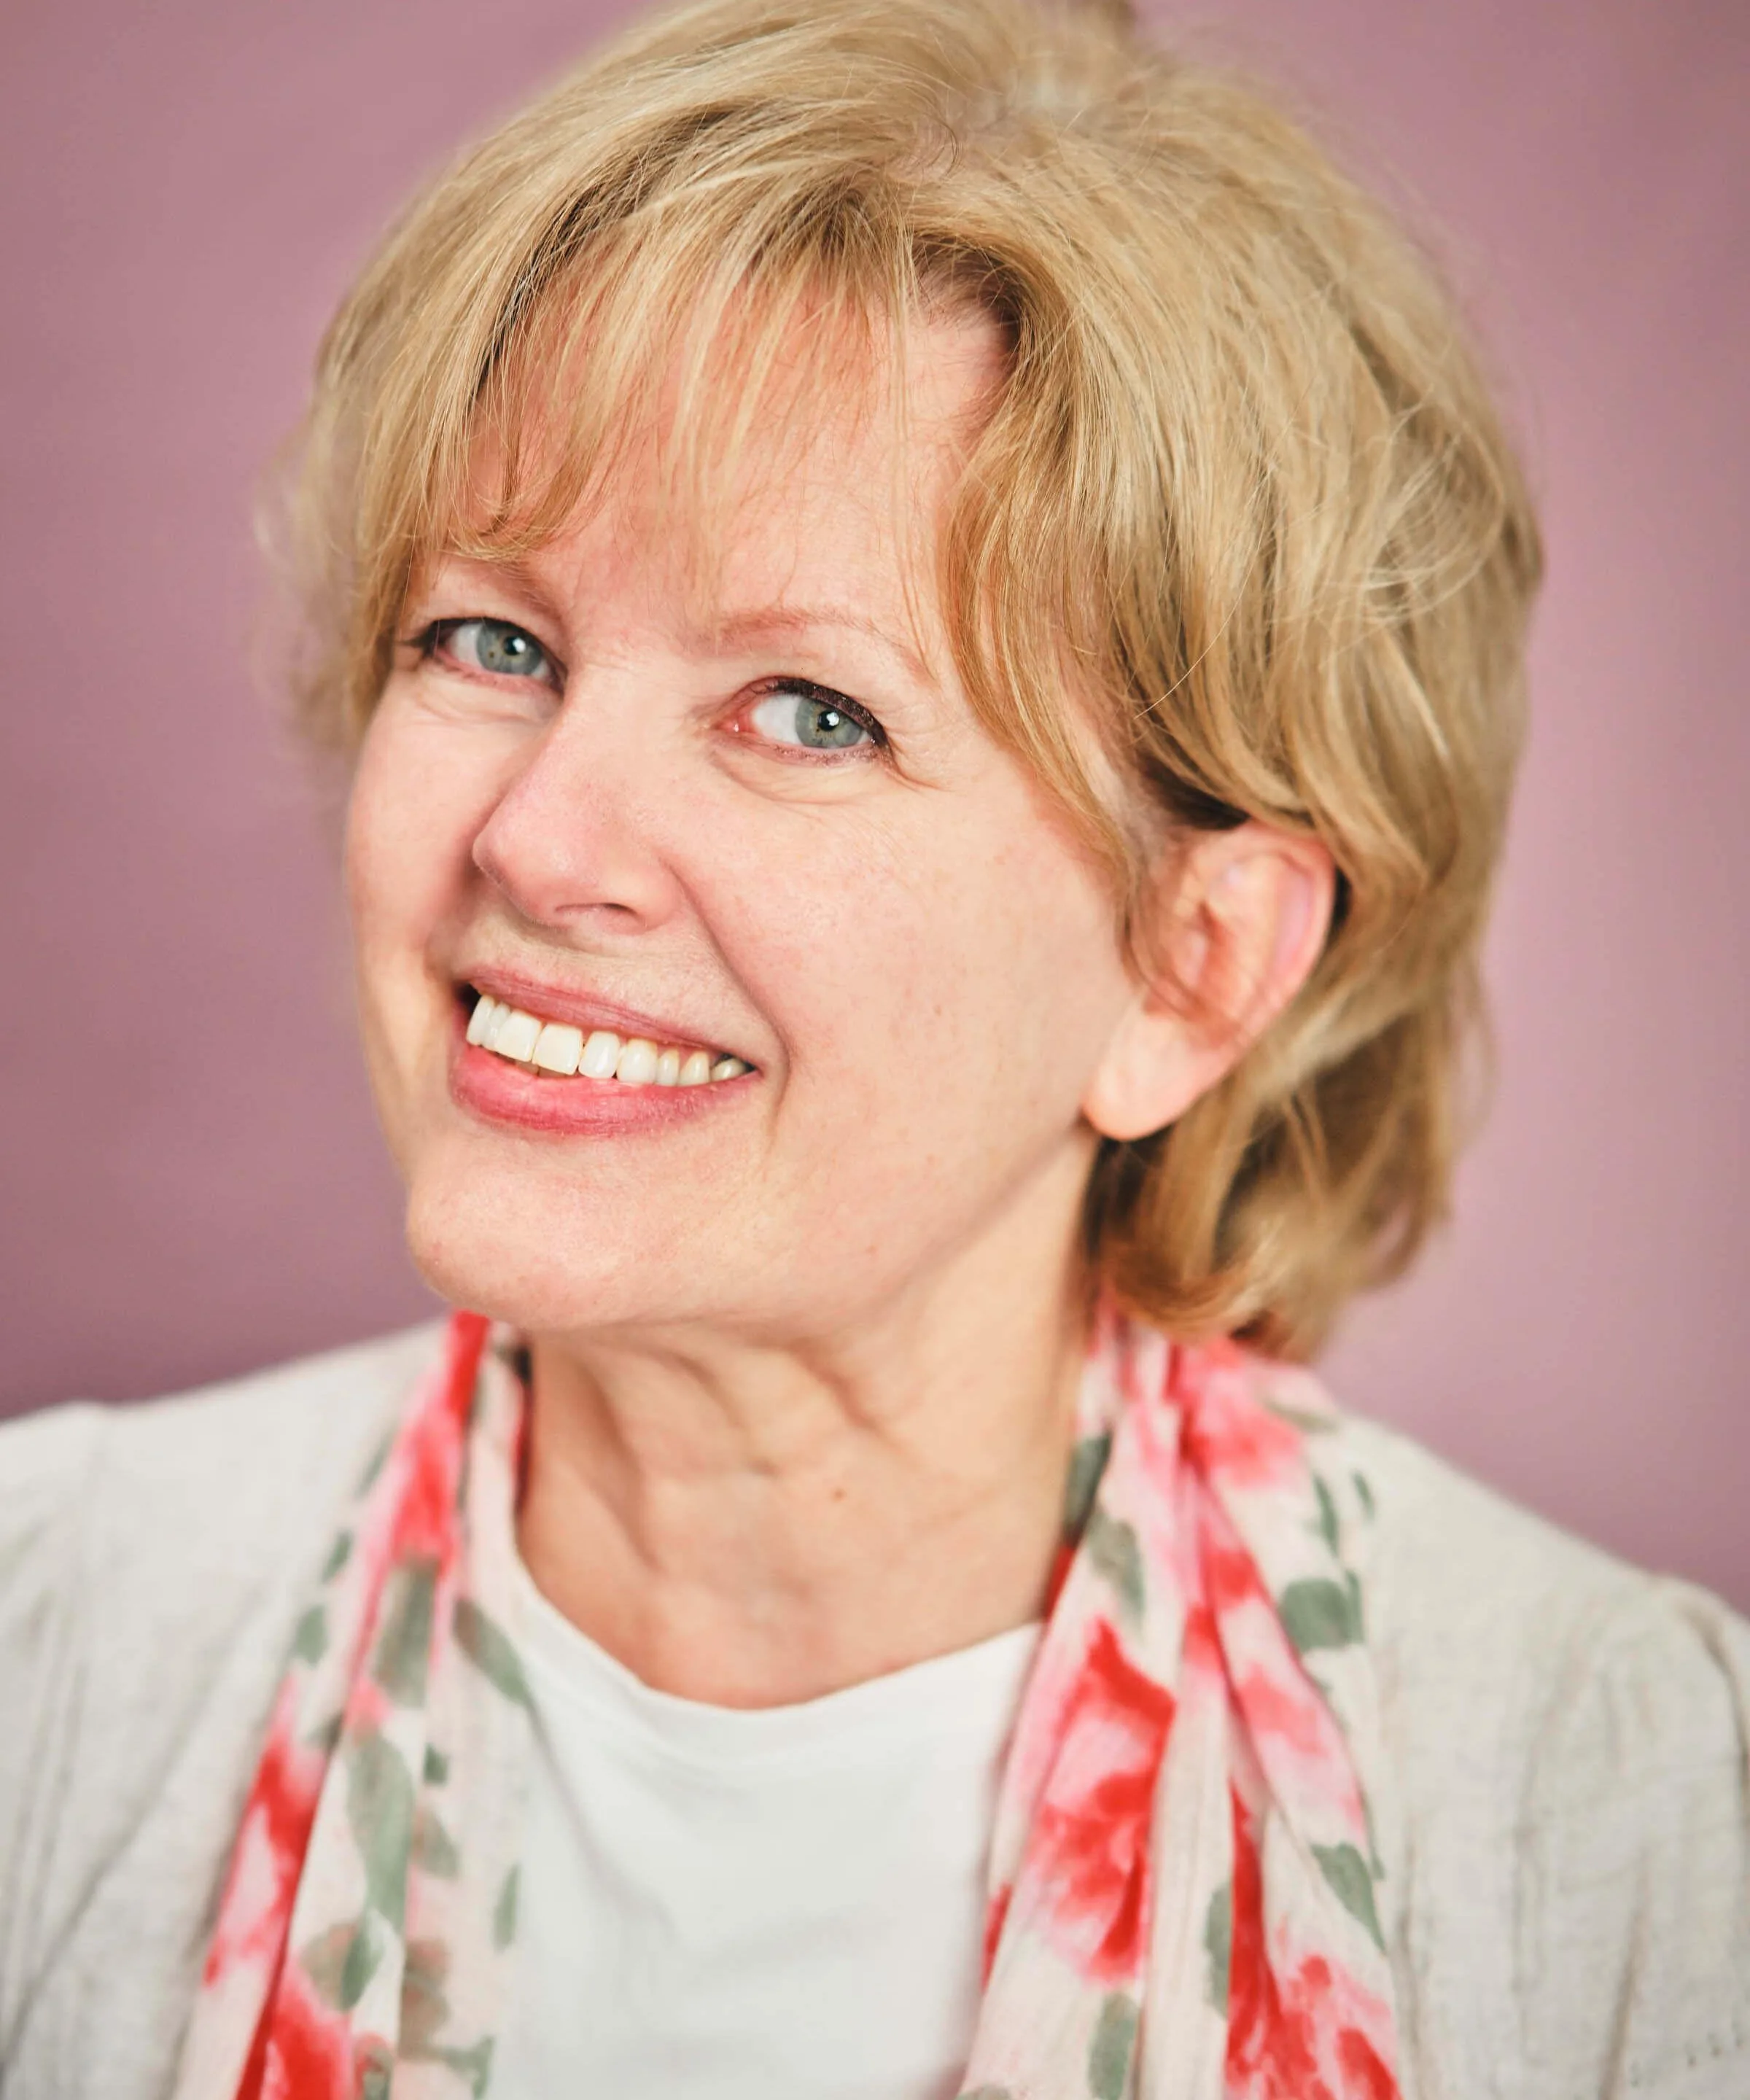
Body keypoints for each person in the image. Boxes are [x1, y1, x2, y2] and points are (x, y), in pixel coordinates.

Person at [2, 0, 1745, 2093]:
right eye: (491, 639)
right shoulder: (48, 1643)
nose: (537, 838)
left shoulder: (1631, 1827)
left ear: (1192, 969)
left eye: (811, 713)